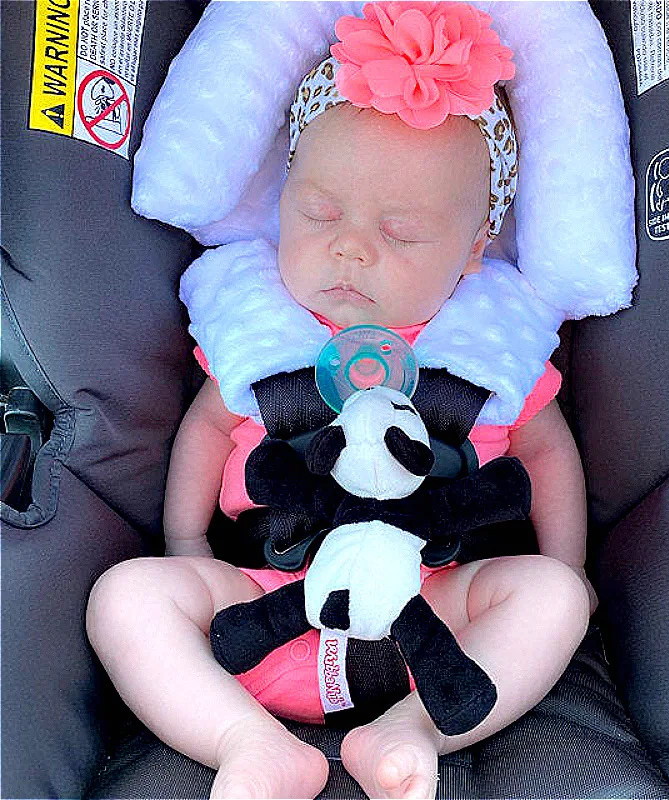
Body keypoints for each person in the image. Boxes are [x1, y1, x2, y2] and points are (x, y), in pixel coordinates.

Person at [86, 4, 593, 798]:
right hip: (264, 602)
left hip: (436, 625)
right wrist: (186, 543)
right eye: (319, 213)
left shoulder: (491, 350)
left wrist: (568, 564)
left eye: (400, 233)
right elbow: (208, 428)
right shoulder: (262, 332)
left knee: (552, 600)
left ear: (472, 251)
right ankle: (246, 743)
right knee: (124, 599)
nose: (350, 247)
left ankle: (411, 732)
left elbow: (548, 450)